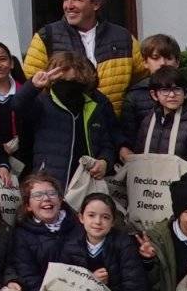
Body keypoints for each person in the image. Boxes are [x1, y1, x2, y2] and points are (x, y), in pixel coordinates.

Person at [21, 0, 139, 109]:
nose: (69, 6)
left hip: (111, 125)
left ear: (96, 4)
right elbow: (33, 83)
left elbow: (141, 83)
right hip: (64, 126)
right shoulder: (46, 36)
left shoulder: (123, 37)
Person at [14, 53, 119, 192]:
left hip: (85, 184)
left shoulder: (94, 107)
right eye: (62, 81)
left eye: (75, 82)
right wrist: (34, 85)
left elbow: (107, 144)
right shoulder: (41, 102)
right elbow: (17, 105)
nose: (69, 87)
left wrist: (105, 161)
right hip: (49, 182)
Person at [123, 68, 187, 206]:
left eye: (177, 89)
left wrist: (182, 192)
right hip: (150, 196)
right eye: (165, 90)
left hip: (181, 198)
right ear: (154, 95)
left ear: (185, 94)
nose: (172, 95)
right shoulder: (148, 121)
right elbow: (139, 158)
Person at [121, 32, 184, 136]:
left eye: (168, 58)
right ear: (145, 62)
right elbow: (128, 136)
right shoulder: (134, 97)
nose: (163, 63)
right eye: (156, 58)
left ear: (177, 62)